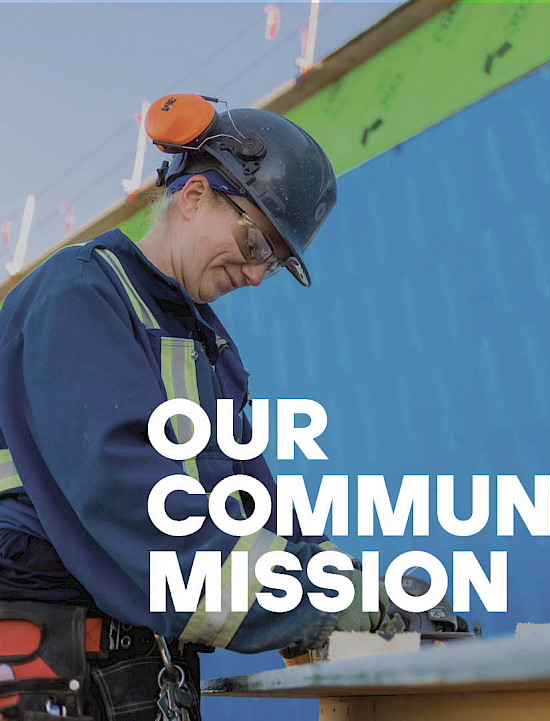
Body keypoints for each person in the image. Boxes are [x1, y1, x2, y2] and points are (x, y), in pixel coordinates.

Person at [0, 94, 386, 721]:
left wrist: (349, 590)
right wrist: (312, 608)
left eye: (278, 263)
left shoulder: (210, 349)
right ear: (194, 196)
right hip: (50, 659)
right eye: (257, 243)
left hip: (138, 670)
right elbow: (134, 507)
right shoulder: (81, 294)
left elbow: (257, 511)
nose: (259, 275)